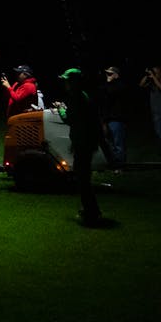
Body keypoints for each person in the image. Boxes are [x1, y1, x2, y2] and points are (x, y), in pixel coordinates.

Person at [56, 68, 103, 226]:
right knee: (83, 177)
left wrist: (61, 109)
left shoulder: (76, 97)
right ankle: (88, 210)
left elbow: (70, 118)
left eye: (67, 80)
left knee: (82, 178)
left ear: (74, 81)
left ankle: (91, 212)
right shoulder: (82, 95)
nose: (65, 84)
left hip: (83, 142)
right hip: (85, 142)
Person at [100, 67, 131, 172]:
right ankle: (114, 164)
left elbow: (112, 93)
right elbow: (102, 98)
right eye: (107, 74)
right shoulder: (106, 85)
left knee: (118, 144)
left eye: (110, 74)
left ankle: (120, 166)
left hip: (117, 119)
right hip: (107, 119)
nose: (107, 76)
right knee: (110, 144)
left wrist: (109, 82)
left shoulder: (120, 85)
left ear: (116, 75)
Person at [140, 65, 161, 158]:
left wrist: (153, 77)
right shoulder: (152, 83)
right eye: (153, 72)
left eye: (155, 72)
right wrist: (146, 75)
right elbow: (141, 85)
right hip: (154, 112)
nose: (153, 74)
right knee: (158, 133)